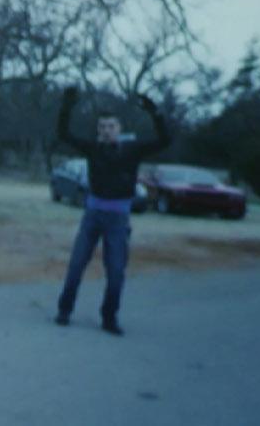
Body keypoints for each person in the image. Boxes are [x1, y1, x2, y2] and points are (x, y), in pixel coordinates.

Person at [49, 86, 171, 335]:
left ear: (119, 129)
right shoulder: (93, 148)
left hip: (118, 218)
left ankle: (109, 317)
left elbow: (165, 140)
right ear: (98, 130)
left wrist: (155, 114)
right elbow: (63, 133)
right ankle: (64, 310)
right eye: (102, 127)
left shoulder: (132, 149)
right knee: (76, 266)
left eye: (111, 127)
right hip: (92, 215)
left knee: (115, 272)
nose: (106, 131)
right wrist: (67, 105)